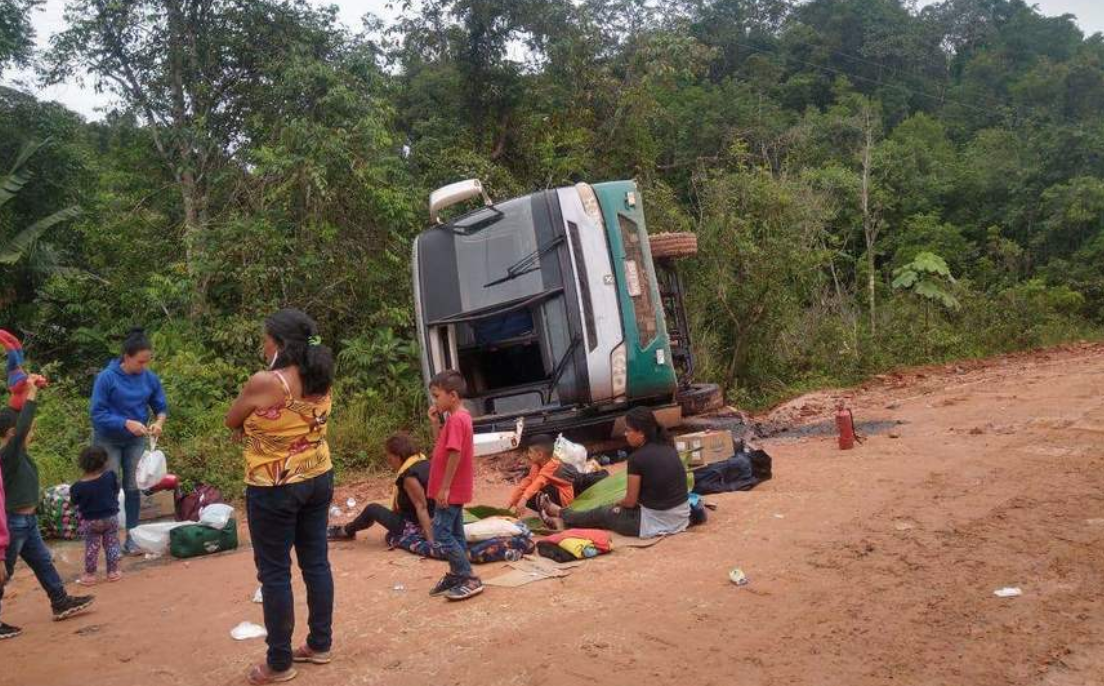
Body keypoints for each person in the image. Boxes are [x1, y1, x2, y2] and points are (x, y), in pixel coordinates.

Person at [226, 309, 335, 685]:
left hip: (274, 486)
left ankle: (279, 662)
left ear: (281, 344)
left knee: (274, 574)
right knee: (316, 563)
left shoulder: (266, 381)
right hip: (318, 475)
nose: (262, 344)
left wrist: (248, 427)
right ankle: (320, 645)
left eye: (266, 338)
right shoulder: (320, 373)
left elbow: (232, 418)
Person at [1, 374, 94, 640]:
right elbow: (24, 423)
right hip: (14, 522)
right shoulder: (8, 455)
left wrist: (24, 385)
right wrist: (31, 393)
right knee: (3, 572)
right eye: (26, 430)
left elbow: (20, 420)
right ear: (12, 434)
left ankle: (60, 600)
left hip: (27, 523)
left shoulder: (18, 455)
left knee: (43, 562)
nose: (32, 432)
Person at [540, 407, 689, 538]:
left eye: (628, 430)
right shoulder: (668, 446)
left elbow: (630, 502)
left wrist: (616, 503)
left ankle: (560, 513)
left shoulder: (637, 459)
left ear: (641, 433)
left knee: (603, 513)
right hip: (681, 516)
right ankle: (565, 516)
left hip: (655, 522)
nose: (625, 434)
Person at [91, 327, 168, 555]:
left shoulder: (149, 378)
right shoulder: (107, 378)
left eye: (147, 362)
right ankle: (111, 539)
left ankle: (132, 537)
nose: (143, 367)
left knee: (133, 486)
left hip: (136, 441)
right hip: (108, 439)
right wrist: (126, 423)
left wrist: (159, 423)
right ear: (126, 357)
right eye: (140, 362)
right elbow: (97, 413)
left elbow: (160, 406)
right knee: (111, 486)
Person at [426, 369, 482, 601]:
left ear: (453, 396)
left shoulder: (458, 419)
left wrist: (445, 487)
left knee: (441, 532)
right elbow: (440, 444)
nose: (434, 400)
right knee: (456, 532)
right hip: (450, 488)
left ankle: (469, 577)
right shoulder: (455, 418)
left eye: (437, 395)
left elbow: (454, 454)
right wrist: (434, 423)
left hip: (450, 489)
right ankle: (458, 574)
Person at [327, 433, 434, 543]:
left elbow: (421, 507)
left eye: (390, 458)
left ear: (398, 456)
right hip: (431, 518)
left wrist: (430, 540)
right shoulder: (424, 462)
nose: (389, 462)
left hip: (415, 525)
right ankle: (347, 530)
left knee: (372, 509)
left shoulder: (409, 477)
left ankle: (346, 531)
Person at [70, 446, 123, 586]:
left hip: (90, 521)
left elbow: (75, 501)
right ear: (104, 462)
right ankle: (112, 572)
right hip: (111, 518)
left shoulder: (77, 487)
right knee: (111, 545)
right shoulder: (110, 476)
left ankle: (90, 575)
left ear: (82, 464)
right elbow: (116, 489)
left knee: (92, 547)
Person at [504, 434, 575, 516]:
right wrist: (511, 503)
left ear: (540, 455)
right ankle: (548, 511)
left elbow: (539, 482)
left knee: (538, 489)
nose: (528, 455)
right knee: (528, 490)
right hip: (551, 496)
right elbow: (526, 483)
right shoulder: (536, 465)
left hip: (563, 500)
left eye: (530, 452)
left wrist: (524, 499)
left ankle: (556, 514)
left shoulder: (552, 465)